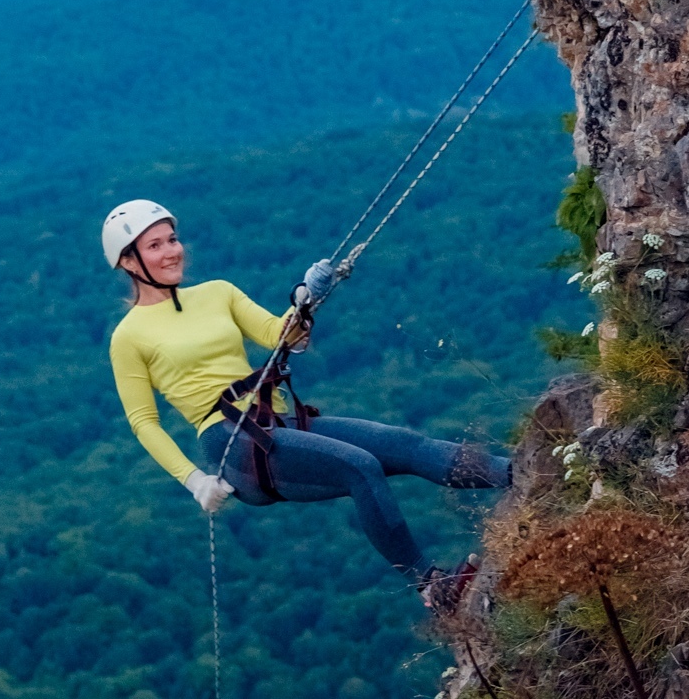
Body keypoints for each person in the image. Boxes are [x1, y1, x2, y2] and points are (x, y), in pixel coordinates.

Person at [102, 199, 507, 609]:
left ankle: (519, 473)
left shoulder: (217, 293)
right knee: (360, 466)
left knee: (404, 444)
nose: (172, 251)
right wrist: (193, 480)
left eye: (171, 239)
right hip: (231, 443)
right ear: (129, 263)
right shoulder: (129, 335)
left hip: (276, 421)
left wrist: (305, 302)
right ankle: (431, 586)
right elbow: (143, 422)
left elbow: (283, 337)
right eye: (154, 246)